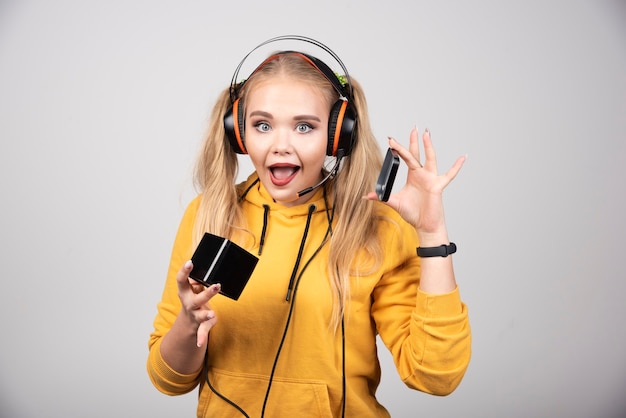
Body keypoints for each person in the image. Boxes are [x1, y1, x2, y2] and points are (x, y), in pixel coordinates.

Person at [147, 36, 471, 418]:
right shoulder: (209, 215)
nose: (281, 145)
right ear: (239, 132)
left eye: (304, 127)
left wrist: (432, 236)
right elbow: (169, 381)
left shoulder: (376, 228)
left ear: (339, 135)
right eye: (263, 125)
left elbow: (436, 376)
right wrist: (188, 324)